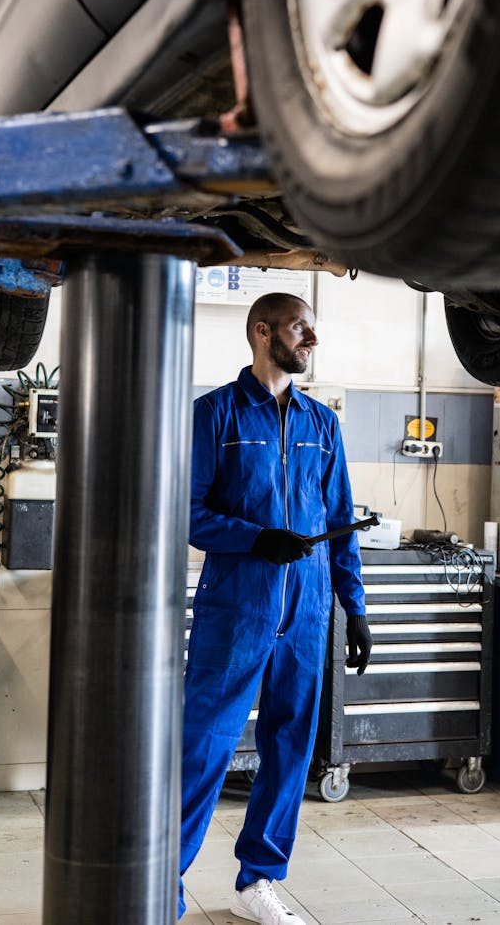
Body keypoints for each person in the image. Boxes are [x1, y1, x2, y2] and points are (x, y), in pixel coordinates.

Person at [179, 291, 372, 924]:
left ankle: (257, 879)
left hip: (308, 610)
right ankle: (161, 882)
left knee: (290, 744)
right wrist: (256, 538)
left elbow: (339, 521)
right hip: (236, 609)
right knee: (203, 747)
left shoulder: (323, 424)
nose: (311, 340)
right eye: (300, 328)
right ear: (264, 333)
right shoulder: (216, 415)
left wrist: (355, 606)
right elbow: (190, 513)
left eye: (313, 329)